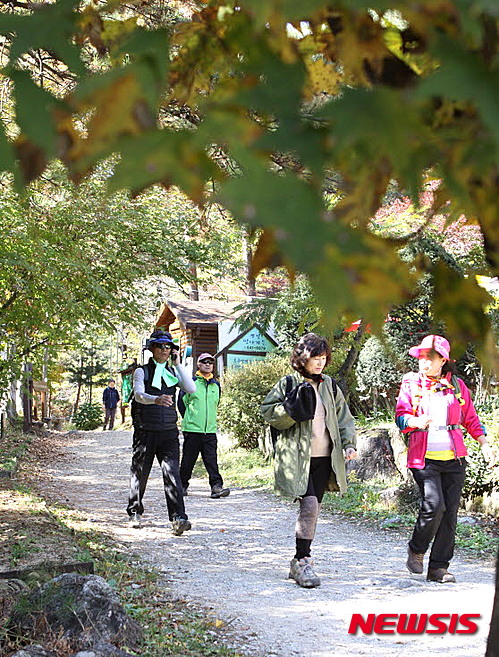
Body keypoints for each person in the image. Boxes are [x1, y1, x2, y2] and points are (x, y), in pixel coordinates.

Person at [395, 334, 496, 583]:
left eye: (430, 358)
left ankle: (438, 568)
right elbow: (400, 415)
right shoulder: (411, 383)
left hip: (454, 459)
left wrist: (484, 444)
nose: (424, 362)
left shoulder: (457, 386)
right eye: (421, 357)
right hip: (424, 458)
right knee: (434, 505)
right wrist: (414, 421)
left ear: (443, 360)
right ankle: (416, 549)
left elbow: (470, 418)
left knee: (449, 514)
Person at [260, 332, 357, 588]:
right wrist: (290, 411)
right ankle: (302, 560)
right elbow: (268, 412)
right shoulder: (288, 383)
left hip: (325, 459)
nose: (320, 362)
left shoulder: (330, 385)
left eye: (324, 358)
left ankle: (300, 560)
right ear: (302, 358)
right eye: (315, 357)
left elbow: (344, 418)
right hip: (298, 459)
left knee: (312, 509)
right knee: (310, 506)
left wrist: (349, 445)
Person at [127, 329, 196, 536]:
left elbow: (191, 388)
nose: (165, 350)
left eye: (168, 347)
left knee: (172, 474)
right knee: (141, 472)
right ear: (152, 349)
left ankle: (178, 518)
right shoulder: (142, 372)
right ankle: (134, 512)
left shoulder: (173, 372)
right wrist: (155, 399)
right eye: (161, 346)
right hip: (145, 431)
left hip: (169, 432)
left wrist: (178, 364)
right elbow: (139, 395)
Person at [179, 353, 230, 499]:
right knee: (188, 460)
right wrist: (190, 419)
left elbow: (216, 404)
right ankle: (181, 486)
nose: (208, 364)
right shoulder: (191, 383)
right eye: (204, 362)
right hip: (192, 430)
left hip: (210, 431)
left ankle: (216, 487)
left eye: (210, 362)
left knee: (211, 460)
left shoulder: (216, 385)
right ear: (198, 364)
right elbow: (181, 404)